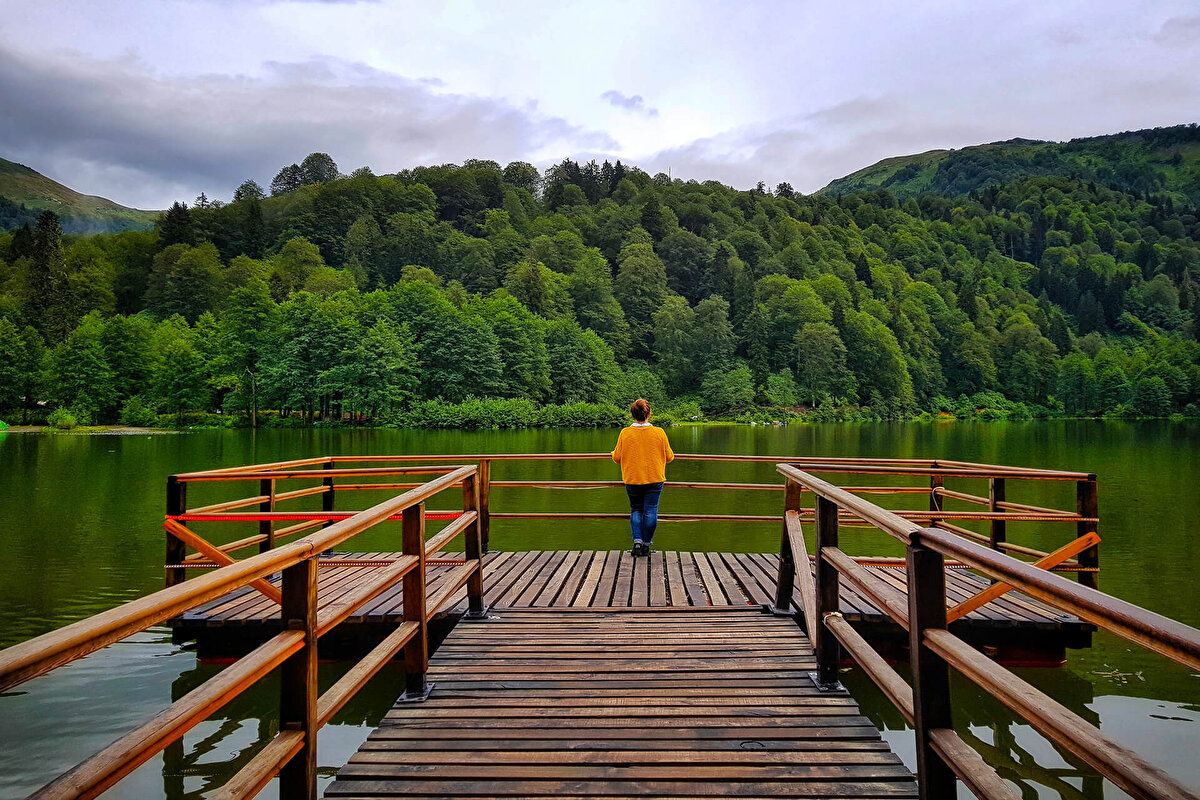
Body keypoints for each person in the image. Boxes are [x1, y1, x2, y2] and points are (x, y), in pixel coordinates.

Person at [610, 398, 674, 557]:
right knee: (651, 510)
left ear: (632, 415)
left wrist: (612, 453)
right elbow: (669, 457)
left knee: (636, 510)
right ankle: (646, 544)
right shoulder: (659, 432)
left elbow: (617, 458)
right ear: (649, 414)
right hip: (655, 478)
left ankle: (637, 542)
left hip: (633, 478)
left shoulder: (625, 433)